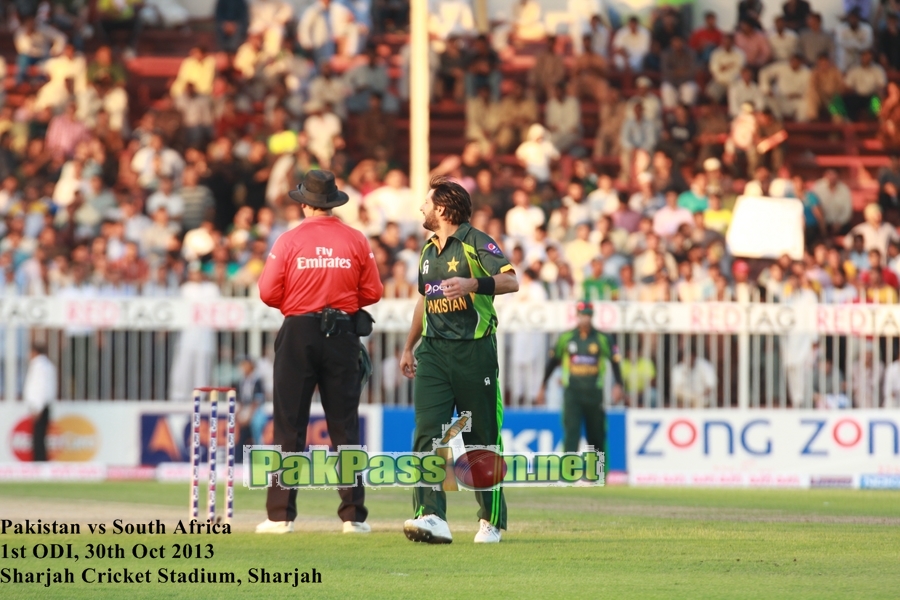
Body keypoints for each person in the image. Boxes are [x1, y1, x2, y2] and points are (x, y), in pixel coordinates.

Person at [256, 170, 383, 535]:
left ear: (305, 204)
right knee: (345, 426)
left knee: (290, 426)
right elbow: (372, 292)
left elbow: (267, 292)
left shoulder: (289, 239)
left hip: (299, 330)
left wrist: (298, 305)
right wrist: (340, 306)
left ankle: (280, 516)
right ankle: (354, 516)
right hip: (342, 332)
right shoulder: (356, 239)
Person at [399, 176, 519, 545]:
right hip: (432, 352)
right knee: (427, 433)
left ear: (444, 208)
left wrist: (472, 284)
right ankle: (431, 515)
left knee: (480, 439)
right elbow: (425, 299)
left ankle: (491, 521)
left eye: (427, 202)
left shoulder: (476, 242)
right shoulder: (426, 251)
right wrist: (409, 346)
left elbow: (511, 280)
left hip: (474, 350)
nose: (421, 207)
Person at [536, 301, 623, 453]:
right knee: (571, 434)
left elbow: (615, 362)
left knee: (596, 436)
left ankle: (598, 473)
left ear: (592, 317)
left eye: (588, 315)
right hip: (572, 393)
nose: (585, 319)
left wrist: (618, 384)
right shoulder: (567, 337)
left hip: (594, 392)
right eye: (583, 315)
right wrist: (542, 386)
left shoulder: (602, 338)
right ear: (577, 316)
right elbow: (552, 362)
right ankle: (569, 474)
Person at [23, 343, 58, 462]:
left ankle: (39, 462)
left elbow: (40, 388)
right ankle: (41, 461)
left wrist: (37, 407)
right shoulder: (47, 365)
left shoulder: (39, 365)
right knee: (41, 435)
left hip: (40, 406)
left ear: (35, 352)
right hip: (45, 404)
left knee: (38, 436)